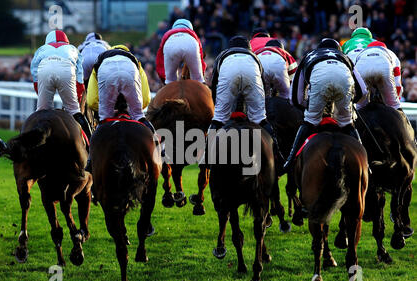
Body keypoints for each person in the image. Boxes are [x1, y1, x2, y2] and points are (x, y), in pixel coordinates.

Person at [283, 38, 368, 172]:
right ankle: (366, 165)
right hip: (343, 81)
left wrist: (308, 109)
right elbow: (363, 90)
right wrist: (350, 104)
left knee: (310, 121)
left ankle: (290, 161)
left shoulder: (309, 56)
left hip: (319, 80)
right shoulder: (344, 57)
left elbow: (295, 98)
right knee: (346, 123)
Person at [206, 35, 284, 165]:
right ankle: (277, 155)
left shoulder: (223, 55)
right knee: (260, 119)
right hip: (251, 72)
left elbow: (214, 84)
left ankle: (207, 157)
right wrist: (259, 109)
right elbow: (263, 86)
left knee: (218, 118)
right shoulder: (254, 57)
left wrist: (218, 108)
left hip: (229, 74)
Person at [30, 30, 92, 141]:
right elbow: (79, 77)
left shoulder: (41, 49)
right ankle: (90, 144)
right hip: (66, 69)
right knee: (74, 110)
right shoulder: (73, 48)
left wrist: (39, 92)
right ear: (66, 41)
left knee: (41, 111)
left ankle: (28, 144)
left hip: (45, 69)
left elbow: (34, 74)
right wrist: (77, 98)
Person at [86, 45, 153, 131]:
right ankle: (156, 141)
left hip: (106, 68)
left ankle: (92, 144)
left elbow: (92, 101)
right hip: (129, 67)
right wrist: (133, 109)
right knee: (139, 116)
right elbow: (146, 99)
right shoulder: (135, 61)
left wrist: (107, 109)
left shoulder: (100, 61)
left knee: (104, 120)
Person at [355, 40, 403, 110]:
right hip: (384, 68)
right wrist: (396, 99)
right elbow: (397, 82)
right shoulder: (391, 53)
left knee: (359, 106)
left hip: (362, 69)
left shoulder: (361, 53)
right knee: (394, 105)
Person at [156, 19, 206, 84]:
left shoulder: (168, 34)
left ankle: (169, 84)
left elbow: (160, 55)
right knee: (198, 80)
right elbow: (201, 56)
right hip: (191, 43)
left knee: (170, 81)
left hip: (171, 43)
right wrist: (201, 74)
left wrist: (163, 78)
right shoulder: (193, 34)